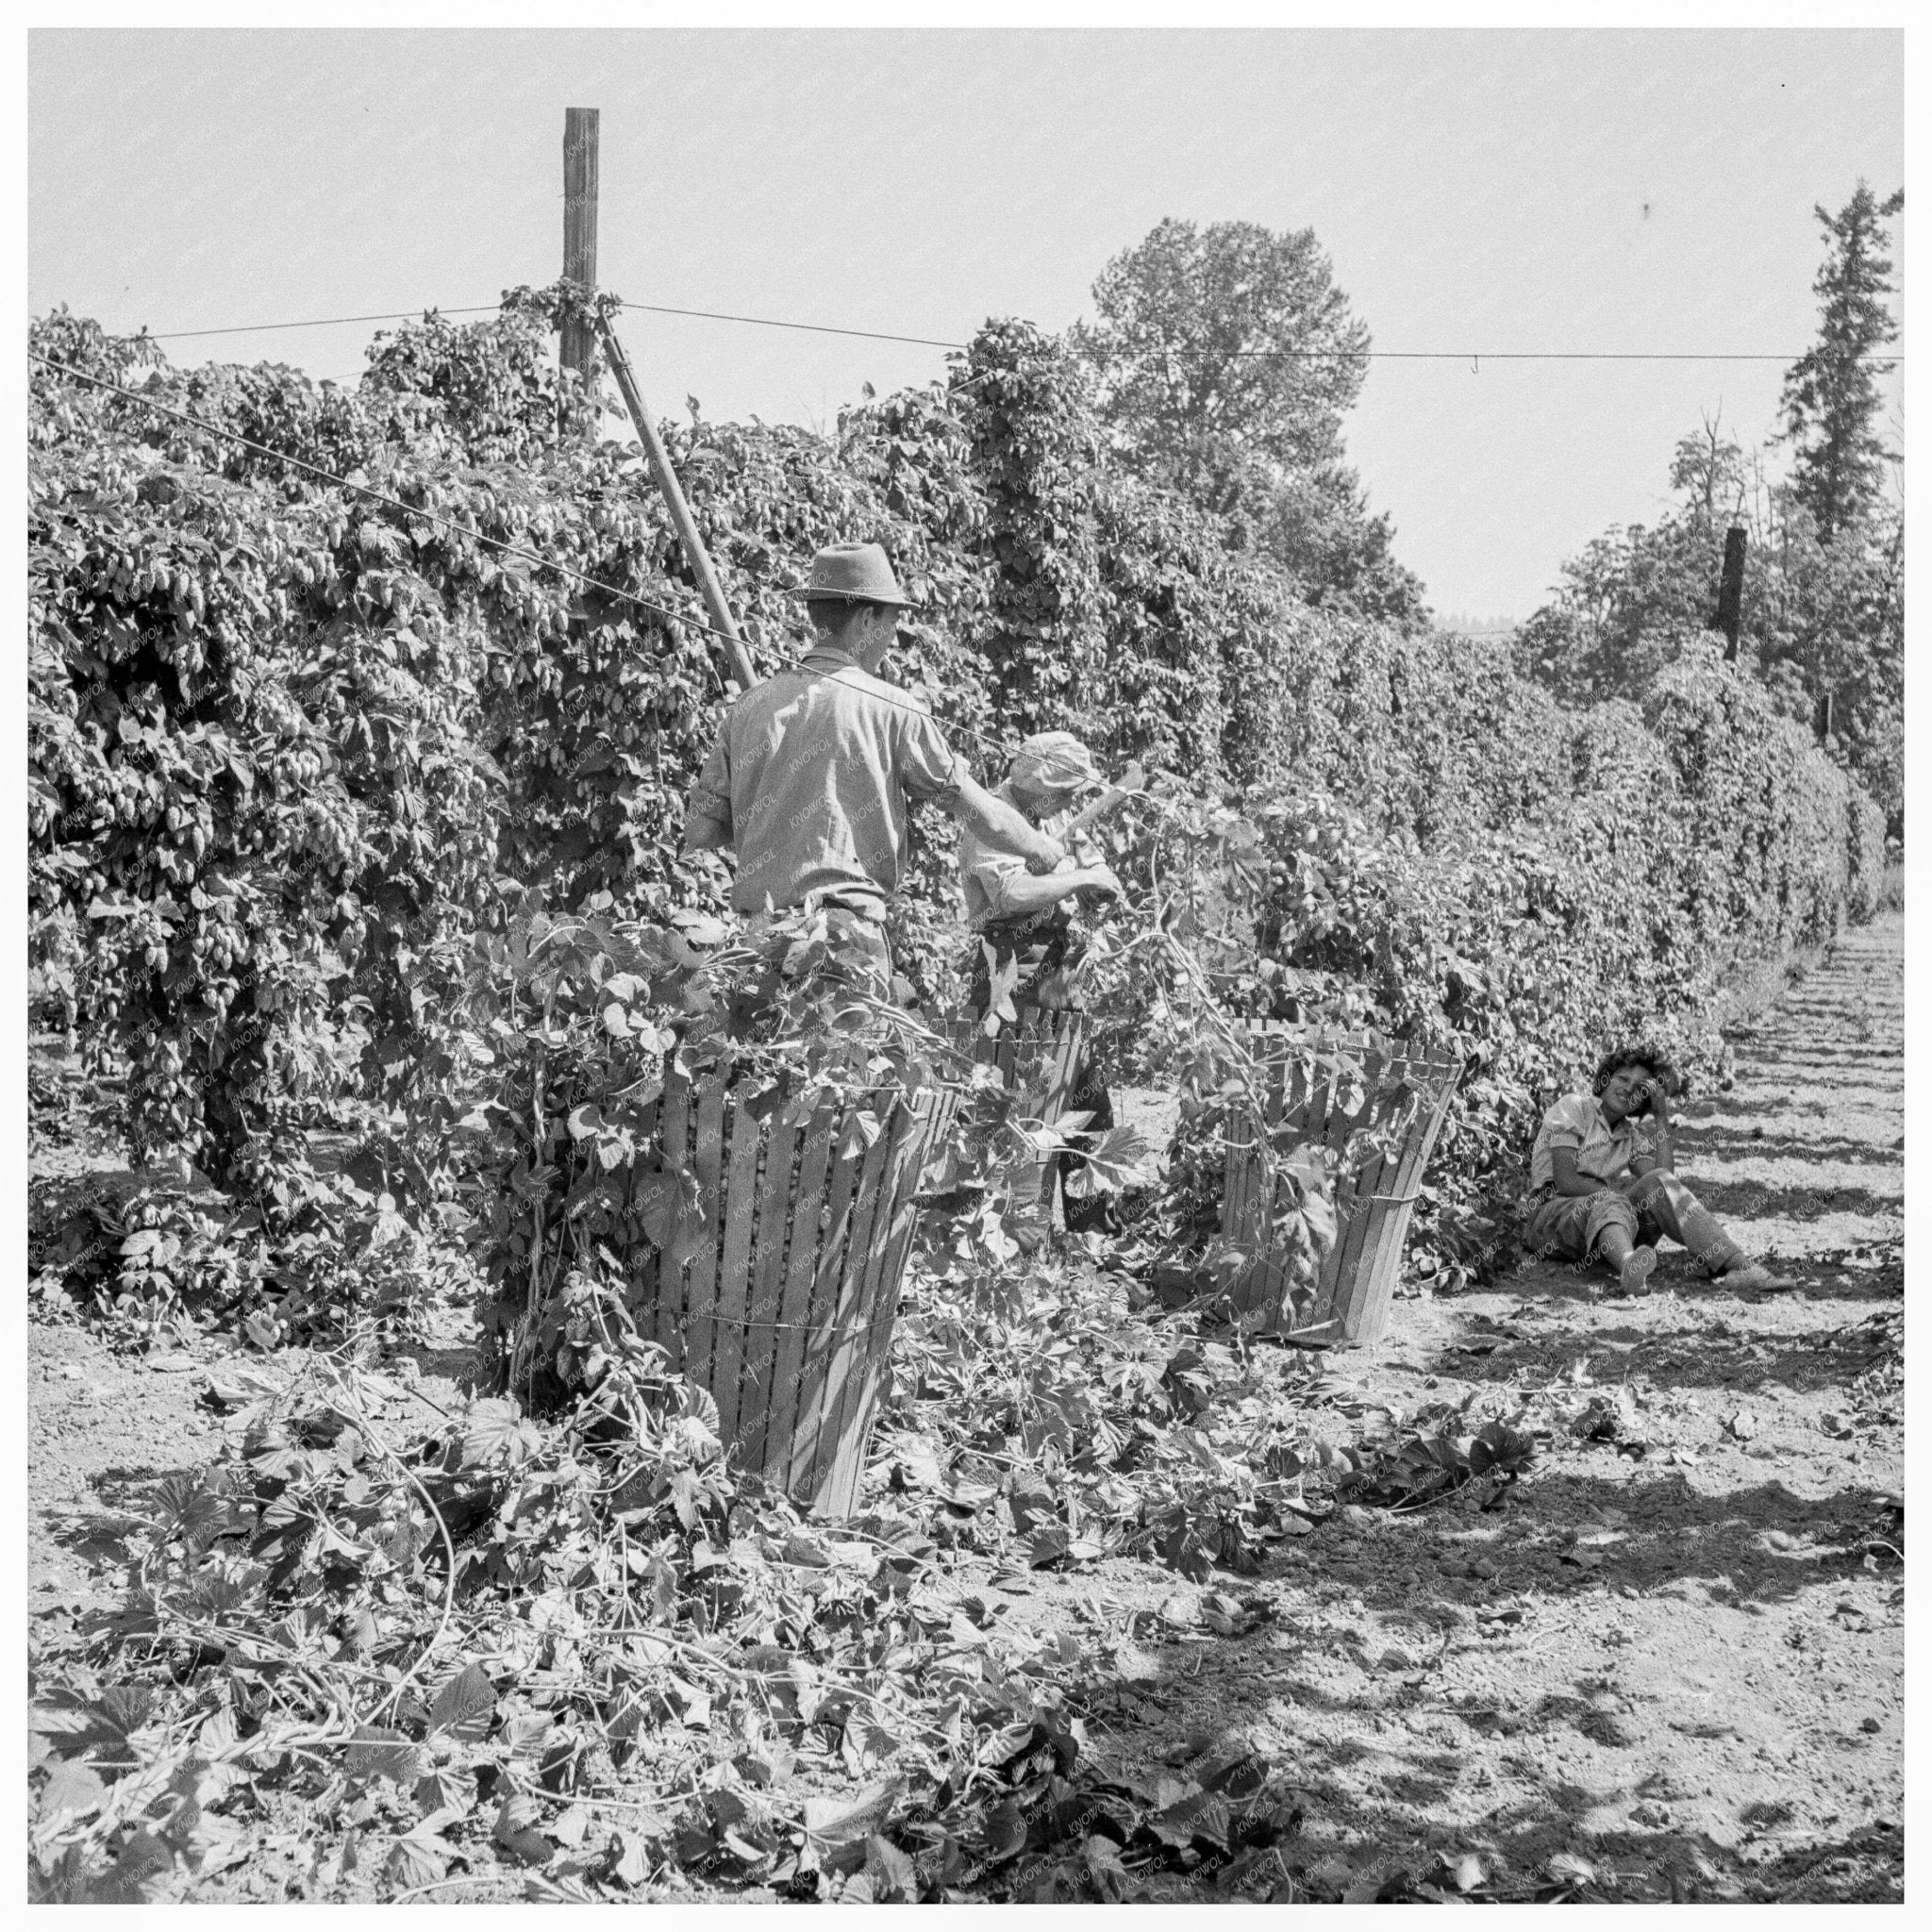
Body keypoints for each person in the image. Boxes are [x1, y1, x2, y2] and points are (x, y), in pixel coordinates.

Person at [682, 541, 1063, 987]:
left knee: (765, 1055)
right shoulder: (891, 708)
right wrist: (1038, 846)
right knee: (847, 1055)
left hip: (757, 940)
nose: (891, 637)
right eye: (891, 623)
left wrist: (774, 813)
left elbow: (701, 832)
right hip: (843, 941)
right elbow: (979, 811)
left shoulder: (748, 707)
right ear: (867, 619)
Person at [958, 731, 1125, 1234]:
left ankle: (1091, 1231)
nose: (1075, 800)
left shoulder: (1056, 816)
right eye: (1068, 790)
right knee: (1017, 1102)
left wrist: (1095, 878)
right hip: (1010, 969)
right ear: (1042, 782)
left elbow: (1092, 860)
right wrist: (1075, 880)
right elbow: (1011, 894)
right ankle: (1010, 1236)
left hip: (1061, 969)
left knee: (1084, 1096)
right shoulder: (987, 817)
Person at [1523, 1044, 1780, 1293]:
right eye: (1622, 1079)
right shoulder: (1575, 1106)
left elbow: (1665, 1181)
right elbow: (1566, 1181)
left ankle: (1738, 1266)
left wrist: (1660, 1117)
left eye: (1639, 1089)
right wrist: (1610, 1197)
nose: (1627, 1090)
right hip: (1551, 1218)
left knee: (1655, 1183)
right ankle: (1628, 1265)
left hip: (1601, 1233)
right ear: (1605, 1080)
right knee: (1608, 1202)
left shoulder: (1629, 1136)